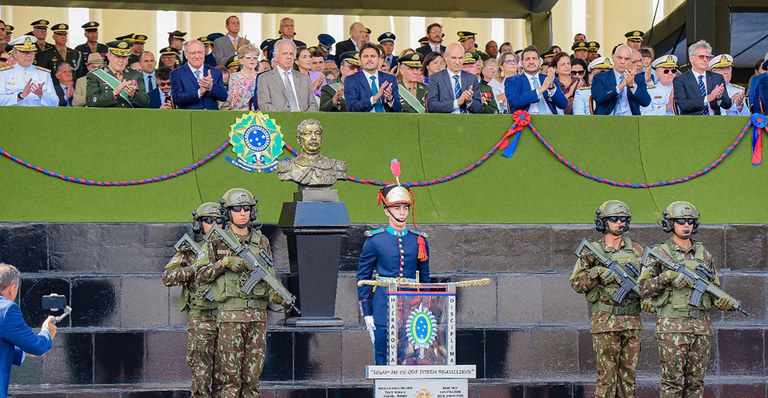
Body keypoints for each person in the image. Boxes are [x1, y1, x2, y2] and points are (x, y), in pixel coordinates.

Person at [638, 201, 738, 398]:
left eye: (690, 221)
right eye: (681, 221)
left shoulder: (704, 254)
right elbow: (643, 288)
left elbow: (713, 289)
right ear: (670, 224)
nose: (686, 225)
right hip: (672, 326)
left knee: (696, 383)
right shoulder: (660, 253)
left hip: (701, 327)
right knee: (671, 383)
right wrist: (668, 277)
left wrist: (722, 302)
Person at [196, 188, 281, 398]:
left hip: (257, 317)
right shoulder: (216, 241)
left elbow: (269, 276)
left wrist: (276, 295)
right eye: (236, 208)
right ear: (228, 212)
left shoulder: (262, 241)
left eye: (247, 208)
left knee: (252, 379)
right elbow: (199, 275)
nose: (242, 212)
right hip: (230, 317)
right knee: (230, 380)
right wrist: (224, 263)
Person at [570, 200, 645, 398]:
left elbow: (648, 283)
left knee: (628, 377)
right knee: (606, 377)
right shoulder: (592, 251)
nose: (619, 223)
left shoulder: (637, 251)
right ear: (603, 222)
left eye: (623, 219)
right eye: (614, 219)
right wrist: (597, 272)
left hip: (631, 321)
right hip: (605, 320)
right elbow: (576, 284)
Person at [357, 171, 430, 365]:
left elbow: (425, 278)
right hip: (383, 302)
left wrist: (426, 304)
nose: (402, 212)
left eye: (405, 208)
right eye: (396, 208)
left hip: (412, 304)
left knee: (411, 355)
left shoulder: (419, 240)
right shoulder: (375, 241)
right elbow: (362, 278)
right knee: (382, 354)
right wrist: (367, 312)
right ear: (386, 211)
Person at [163, 202, 223, 398]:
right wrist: (195, 269)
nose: (213, 225)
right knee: (201, 374)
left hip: (227, 317)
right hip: (201, 319)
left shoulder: (229, 249)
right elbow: (168, 277)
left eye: (218, 221)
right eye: (208, 221)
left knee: (226, 373)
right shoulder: (190, 250)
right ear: (198, 225)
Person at [0, 263, 57, 397]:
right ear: (12, 288)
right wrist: (46, 332)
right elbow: (37, 346)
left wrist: (22, 352)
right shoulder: (7, 309)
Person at [277, 118, 347, 186]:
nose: (313, 137)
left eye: (317, 133)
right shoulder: (288, 167)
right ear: (299, 139)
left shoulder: (336, 166)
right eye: (308, 133)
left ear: (321, 139)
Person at [257, 39, 318, 112]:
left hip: (304, 121)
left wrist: (304, 117)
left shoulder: (304, 78)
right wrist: (288, 117)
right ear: (275, 56)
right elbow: (264, 105)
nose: (288, 57)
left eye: (291, 54)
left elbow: (313, 104)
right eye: (285, 53)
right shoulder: (265, 78)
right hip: (278, 120)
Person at [505, 45, 567, 115]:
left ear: (540, 62)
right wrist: (541, 89)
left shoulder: (548, 79)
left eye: (534, 58)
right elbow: (515, 102)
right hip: (526, 121)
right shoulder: (512, 81)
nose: (531, 62)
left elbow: (563, 104)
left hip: (550, 120)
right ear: (521, 63)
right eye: (527, 59)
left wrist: (551, 88)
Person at [673, 40, 731, 115]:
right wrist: (708, 98)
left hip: (715, 123)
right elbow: (683, 105)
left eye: (708, 57)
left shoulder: (717, 78)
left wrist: (719, 98)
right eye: (701, 57)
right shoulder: (680, 80)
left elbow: (727, 105)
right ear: (691, 58)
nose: (705, 60)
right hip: (692, 123)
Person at [86, 40, 149, 108]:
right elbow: (91, 102)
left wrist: (134, 95)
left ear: (128, 59)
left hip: (130, 117)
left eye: (124, 57)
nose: (121, 60)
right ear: (109, 56)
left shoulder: (136, 74)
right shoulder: (95, 75)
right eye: (118, 56)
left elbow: (145, 102)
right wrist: (114, 93)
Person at [591, 45, 650, 115]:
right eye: (619, 58)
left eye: (627, 59)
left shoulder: (637, 78)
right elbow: (599, 98)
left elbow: (646, 102)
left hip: (631, 121)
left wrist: (633, 85)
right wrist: (620, 86)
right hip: (607, 121)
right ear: (613, 58)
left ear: (631, 60)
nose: (622, 62)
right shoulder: (600, 77)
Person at [0, 35, 58, 106]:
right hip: (13, 115)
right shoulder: (4, 74)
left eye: (31, 51)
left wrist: (42, 95)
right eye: (24, 52)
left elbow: (55, 102)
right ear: (14, 54)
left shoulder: (44, 74)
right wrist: (20, 96)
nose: (29, 55)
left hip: (38, 115)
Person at [169, 40, 227, 110]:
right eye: (193, 53)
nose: (197, 56)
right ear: (186, 55)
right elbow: (177, 98)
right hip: (189, 118)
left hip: (212, 117)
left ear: (204, 53)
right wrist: (199, 92)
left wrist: (211, 87)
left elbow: (223, 96)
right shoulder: (176, 74)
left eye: (200, 52)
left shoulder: (215, 72)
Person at [345, 42, 401, 112]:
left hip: (387, 121)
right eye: (366, 56)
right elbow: (352, 108)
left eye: (373, 56)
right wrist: (374, 99)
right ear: (359, 61)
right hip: (364, 121)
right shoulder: (351, 80)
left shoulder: (390, 79)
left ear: (379, 60)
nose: (369, 59)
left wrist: (390, 99)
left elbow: (398, 109)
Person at [426, 43, 480, 113]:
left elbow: (478, 107)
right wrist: (457, 103)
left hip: (468, 122)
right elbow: (432, 106)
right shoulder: (435, 78)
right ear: (446, 58)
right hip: (446, 122)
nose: (457, 62)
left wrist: (469, 101)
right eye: (453, 58)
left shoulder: (472, 78)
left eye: (460, 58)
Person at [224, 44, 259, 110]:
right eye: (248, 57)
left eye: (255, 57)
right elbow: (234, 100)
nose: (252, 60)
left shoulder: (261, 77)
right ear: (241, 60)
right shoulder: (234, 77)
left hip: (258, 115)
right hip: (239, 113)